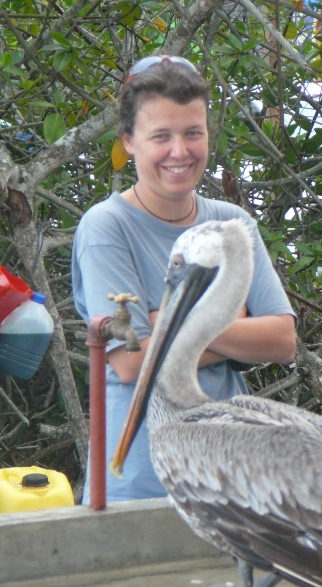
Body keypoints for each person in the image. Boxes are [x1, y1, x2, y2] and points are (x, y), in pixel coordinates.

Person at [72, 55, 296, 503]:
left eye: (193, 133)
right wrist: (235, 320)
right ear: (129, 141)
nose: (180, 151)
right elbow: (132, 362)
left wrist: (168, 322)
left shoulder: (233, 223)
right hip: (140, 482)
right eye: (161, 136)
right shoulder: (105, 227)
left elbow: (283, 340)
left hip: (229, 479)